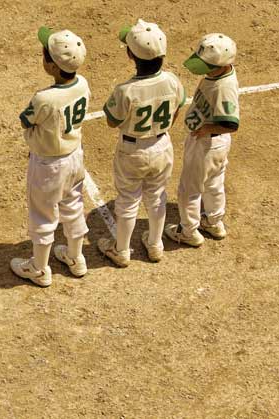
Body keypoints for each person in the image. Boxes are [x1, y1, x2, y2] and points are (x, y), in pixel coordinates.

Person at [97, 19, 186, 266]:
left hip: (132, 150)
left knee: (127, 199)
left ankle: (121, 251)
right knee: (157, 195)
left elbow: (112, 121)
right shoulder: (172, 81)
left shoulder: (125, 90)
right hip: (162, 145)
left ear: (130, 55)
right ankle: (156, 245)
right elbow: (177, 108)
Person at [10, 27, 90, 286]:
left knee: (43, 215)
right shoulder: (83, 84)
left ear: (53, 66)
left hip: (48, 164)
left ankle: (39, 268)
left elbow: (25, 121)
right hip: (75, 157)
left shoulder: (45, 98)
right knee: (73, 205)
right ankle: (76, 258)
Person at [165, 34, 239, 246]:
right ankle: (213, 221)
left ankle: (188, 231)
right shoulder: (220, 75)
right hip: (216, 144)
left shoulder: (223, 88)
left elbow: (231, 124)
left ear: (223, 65)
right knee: (214, 183)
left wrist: (207, 128)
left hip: (206, 144)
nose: (204, 69)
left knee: (190, 188)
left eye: (209, 65)